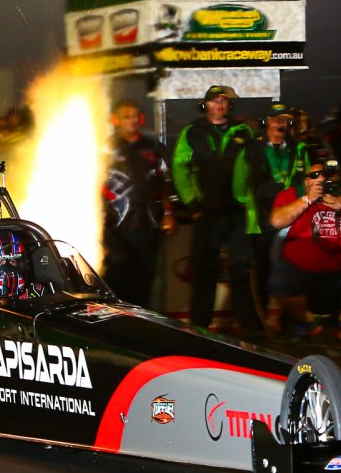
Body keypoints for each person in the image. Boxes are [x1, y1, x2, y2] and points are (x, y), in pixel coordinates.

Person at [269, 151, 341, 342]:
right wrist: (307, 199)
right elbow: (276, 221)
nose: (321, 179)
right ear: (305, 181)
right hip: (302, 268)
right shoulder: (292, 194)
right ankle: (305, 322)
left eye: (327, 175)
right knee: (279, 282)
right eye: (314, 176)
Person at [170, 85, 257, 333]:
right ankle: (200, 325)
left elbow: (255, 166)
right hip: (207, 211)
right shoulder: (192, 132)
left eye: (223, 101)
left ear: (229, 105)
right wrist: (192, 204)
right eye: (214, 101)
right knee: (203, 271)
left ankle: (250, 325)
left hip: (237, 211)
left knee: (241, 269)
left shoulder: (243, 131)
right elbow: (180, 168)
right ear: (205, 105)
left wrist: (251, 203)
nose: (219, 105)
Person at [233, 102, 308, 328]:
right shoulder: (251, 149)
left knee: (291, 271)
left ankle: (292, 321)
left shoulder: (299, 148)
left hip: (291, 219)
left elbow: (307, 183)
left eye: (285, 120)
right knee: (262, 272)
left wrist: (297, 207)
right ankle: (259, 324)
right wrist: (252, 205)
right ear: (267, 122)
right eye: (276, 120)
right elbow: (238, 186)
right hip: (262, 220)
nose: (281, 125)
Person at [102, 100, 172, 307]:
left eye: (135, 116)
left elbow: (164, 181)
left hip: (148, 222)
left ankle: (146, 318)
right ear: (116, 120)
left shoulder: (153, 146)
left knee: (146, 275)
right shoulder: (105, 147)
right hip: (114, 226)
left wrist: (168, 214)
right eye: (126, 116)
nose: (132, 120)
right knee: (116, 274)